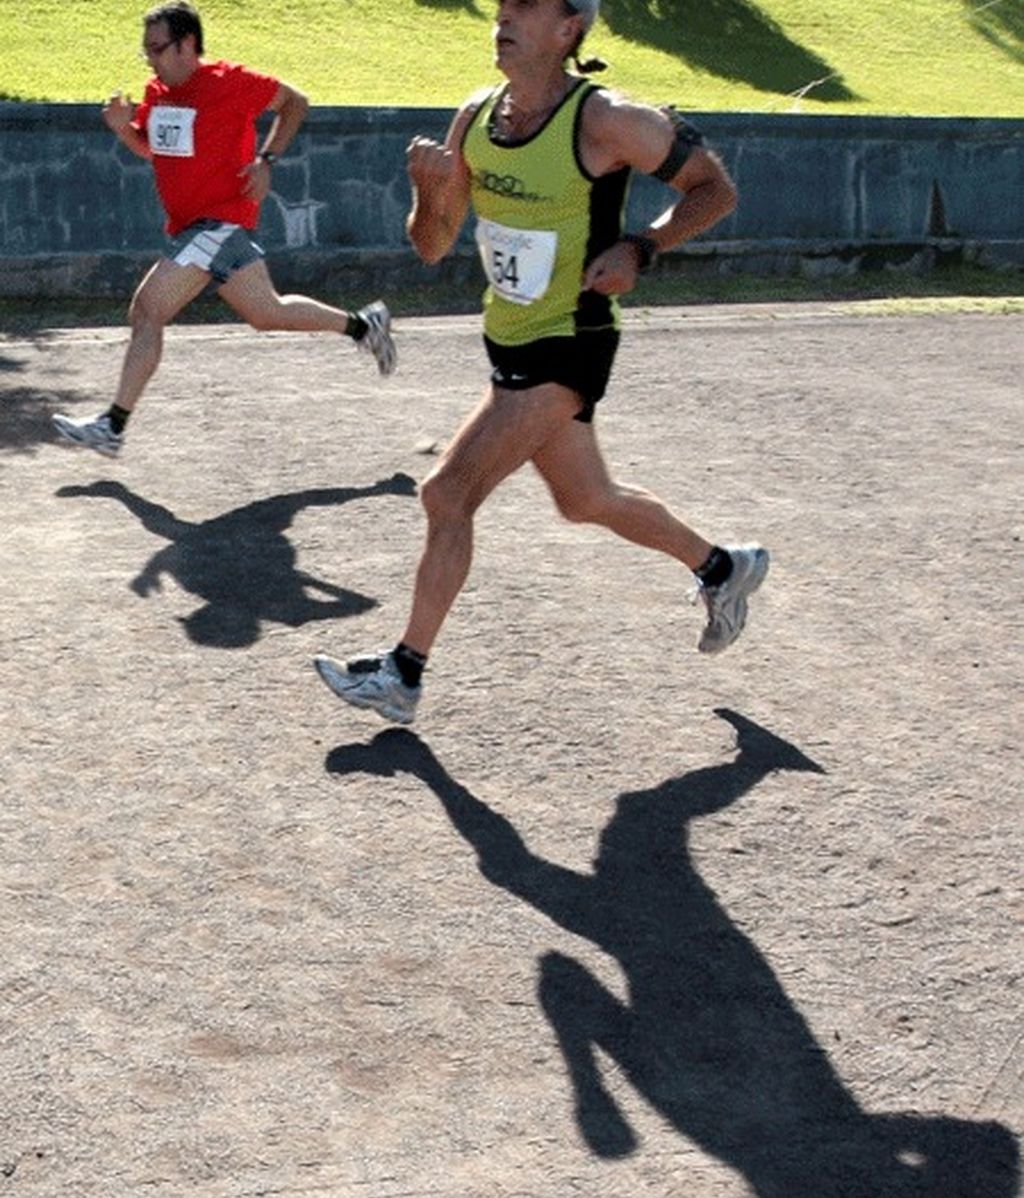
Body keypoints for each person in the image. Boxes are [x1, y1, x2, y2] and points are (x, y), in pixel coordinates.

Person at [314, 0, 768, 726]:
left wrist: (641, 247)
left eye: (527, 5)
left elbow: (715, 190)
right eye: (503, 4)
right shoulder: (476, 115)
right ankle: (724, 568)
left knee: (447, 495)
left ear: (569, 29)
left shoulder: (608, 120)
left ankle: (403, 674)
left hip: (573, 336)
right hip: (511, 337)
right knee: (585, 499)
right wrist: (429, 190)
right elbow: (431, 244)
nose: (505, 15)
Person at [51, 1, 396, 460]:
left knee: (148, 309)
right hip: (193, 228)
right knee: (267, 312)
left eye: (158, 48)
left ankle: (112, 426)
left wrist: (266, 160)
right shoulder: (157, 93)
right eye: (146, 51)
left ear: (188, 44)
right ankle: (363, 327)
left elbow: (296, 102)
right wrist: (122, 129)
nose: (151, 59)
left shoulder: (227, 81)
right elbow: (153, 151)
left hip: (220, 220)